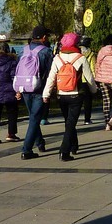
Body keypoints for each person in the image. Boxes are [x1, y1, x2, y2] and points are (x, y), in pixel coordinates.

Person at [43, 32, 98, 161]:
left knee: (68, 122)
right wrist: (94, 90)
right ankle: (64, 151)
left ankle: (74, 145)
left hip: (61, 95)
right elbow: (89, 78)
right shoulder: (80, 58)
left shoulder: (57, 58)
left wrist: (46, 94)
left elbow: (51, 78)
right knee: (70, 123)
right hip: (76, 95)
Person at [16, 26, 54, 159]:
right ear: (44, 37)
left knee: (33, 117)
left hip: (25, 88)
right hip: (39, 88)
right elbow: (51, 72)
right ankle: (26, 150)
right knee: (34, 118)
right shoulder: (46, 51)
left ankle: (40, 142)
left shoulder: (23, 50)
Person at [79, 36, 96, 125]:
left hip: (76, 80)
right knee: (87, 101)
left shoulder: (76, 53)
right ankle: (87, 119)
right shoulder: (91, 54)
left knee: (77, 101)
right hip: (86, 80)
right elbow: (93, 68)